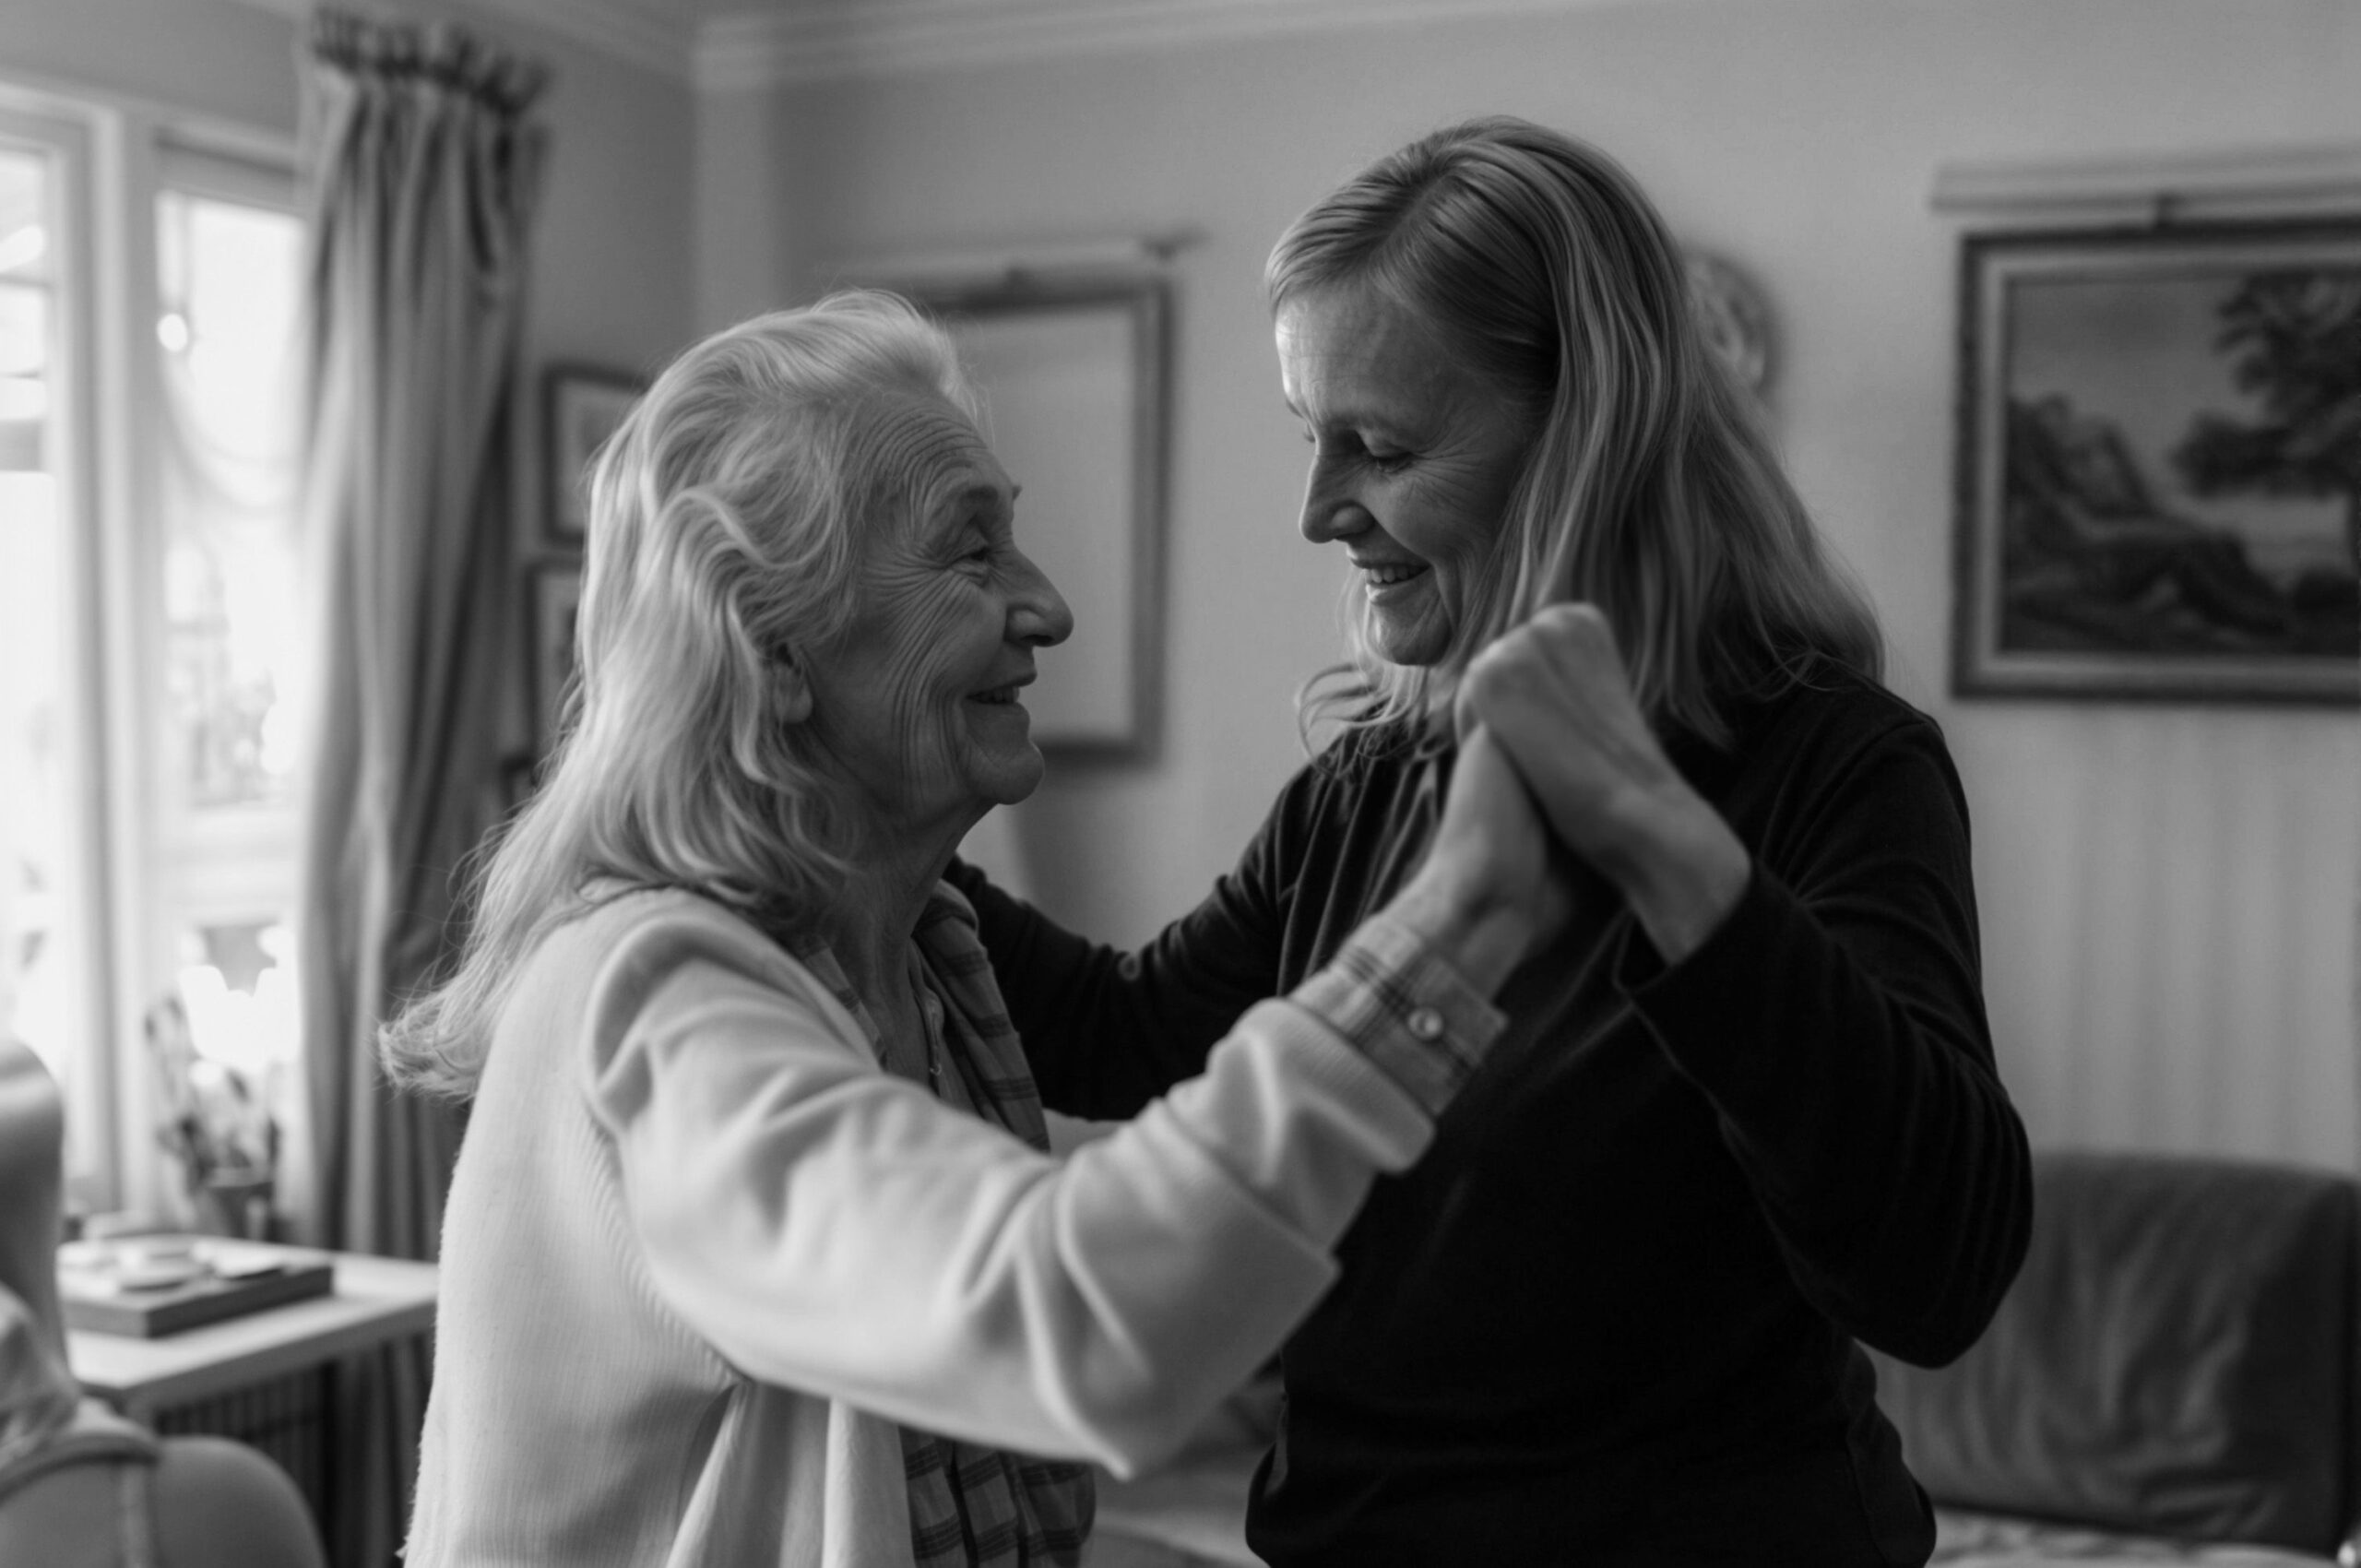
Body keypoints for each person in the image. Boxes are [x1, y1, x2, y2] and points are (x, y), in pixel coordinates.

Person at [946, 117, 2035, 1566]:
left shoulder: (1836, 768)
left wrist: (1661, 845)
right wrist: (854, 820)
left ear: (1589, 436)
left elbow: (1935, 1272)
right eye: (1311, 435)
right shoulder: (1367, 791)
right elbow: (1126, 1031)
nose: (1320, 510)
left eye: (1379, 448)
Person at [381, 291, 1572, 1568]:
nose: (1049, 607)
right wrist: (1465, 917)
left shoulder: (930, 955)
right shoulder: (646, 994)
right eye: (970, 553)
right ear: (772, 647)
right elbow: (1069, 1321)